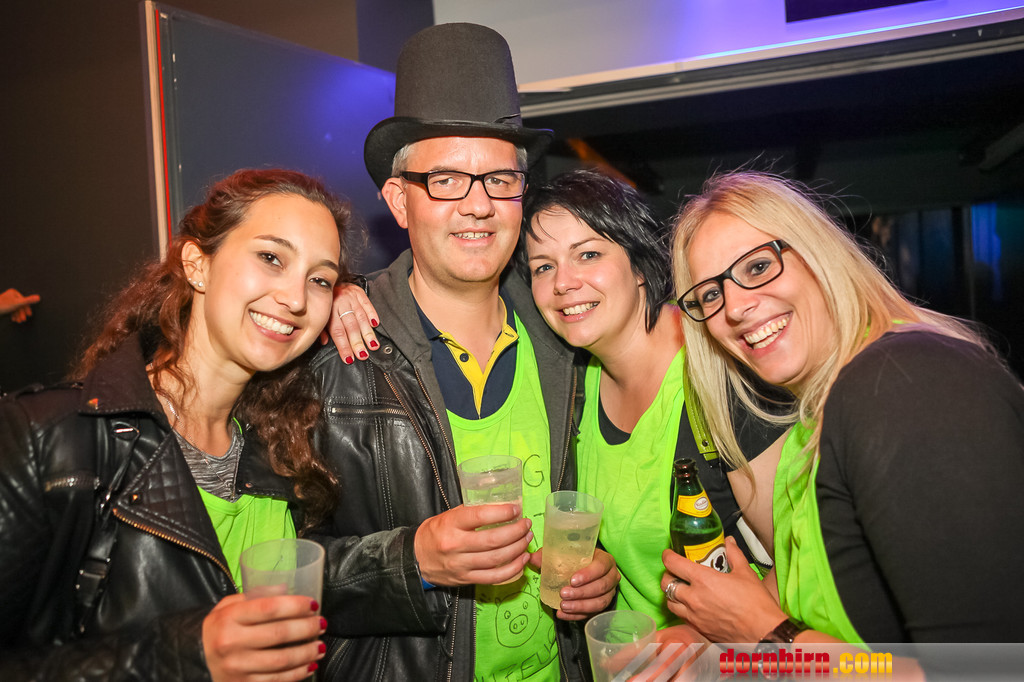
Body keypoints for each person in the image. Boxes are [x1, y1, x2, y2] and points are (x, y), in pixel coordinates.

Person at [312, 23, 617, 681]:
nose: (479, 206)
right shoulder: (332, 357)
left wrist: (601, 572)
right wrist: (412, 562)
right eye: (447, 179)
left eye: (501, 179)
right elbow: (277, 569)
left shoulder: (572, 340)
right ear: (399, 201)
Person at [0, 168, 350, 681]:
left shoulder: (284, 452)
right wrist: (183, 657)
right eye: (271, 258)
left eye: (320, 280)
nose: (296, 299)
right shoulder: (48, 440)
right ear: (197, 265)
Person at [664, 171, 1024, 663]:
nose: (736, 307)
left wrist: (765, 637)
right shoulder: (815, 422)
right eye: (710, 295)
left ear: (818, 254)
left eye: (758, 266)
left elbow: (989, 670)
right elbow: (823, 575)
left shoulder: (905, 383)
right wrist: (704, 632)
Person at [517, 169, 786, 631]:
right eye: (544, 266)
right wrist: (602, 574)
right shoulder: (573, 389)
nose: (563, 283)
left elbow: (803, 559)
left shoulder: (721, 377)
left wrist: (703, 638)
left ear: (640, 266)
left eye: (588, 254)